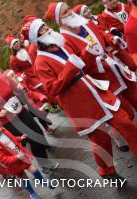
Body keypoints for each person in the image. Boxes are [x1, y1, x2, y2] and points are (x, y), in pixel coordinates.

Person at [24, 16, 137, 181]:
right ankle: (107, 172)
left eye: (45, 26)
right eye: (41, 30)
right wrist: (71, 67)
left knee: (125, 122)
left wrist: (87, 54)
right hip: (80, 104)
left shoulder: (61, 45)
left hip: (96, 92)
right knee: (101, 140)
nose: (47, 29)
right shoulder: (40, 62)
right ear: (37, 38)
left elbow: (80, 63)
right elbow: (52, 89)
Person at [47, 1, 136, 151]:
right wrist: (88, 55)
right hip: (102, 81)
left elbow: (102, 33)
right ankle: (123, 140)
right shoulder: (64, 41)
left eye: (68, 9)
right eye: (64, 12)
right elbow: (77, 65)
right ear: (58, 20)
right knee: (126, 114)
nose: (69, 12)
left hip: (117, 69)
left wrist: (110, 39)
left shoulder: (85, 23)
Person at [0, 63, 59, 173]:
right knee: (31, 139)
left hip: (21, 111)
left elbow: (18, 89)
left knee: (38, 132)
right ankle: (44, 164)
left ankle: (42, 160)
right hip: (9, 121)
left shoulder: (3, 78)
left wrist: (20, 88)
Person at [0, 120, 53, 199]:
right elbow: (5, 160)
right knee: (24, 178)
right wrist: (17, 157)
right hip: (13, 164)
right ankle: (32, 193)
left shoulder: (3, 131)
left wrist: (20, 138)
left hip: (21, 156)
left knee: (34, 169)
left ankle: (43, 182)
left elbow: (13, 139)